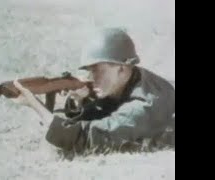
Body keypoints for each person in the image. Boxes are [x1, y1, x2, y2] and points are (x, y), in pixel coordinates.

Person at [11, 28, 175, 155]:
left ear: (122, 69)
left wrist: (36, 105)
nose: (90, 77)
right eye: (89, 70)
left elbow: (89, 138)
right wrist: (80, 102)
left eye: (97, 70)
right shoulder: (130, 78)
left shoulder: (146, 104)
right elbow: (109, 109)